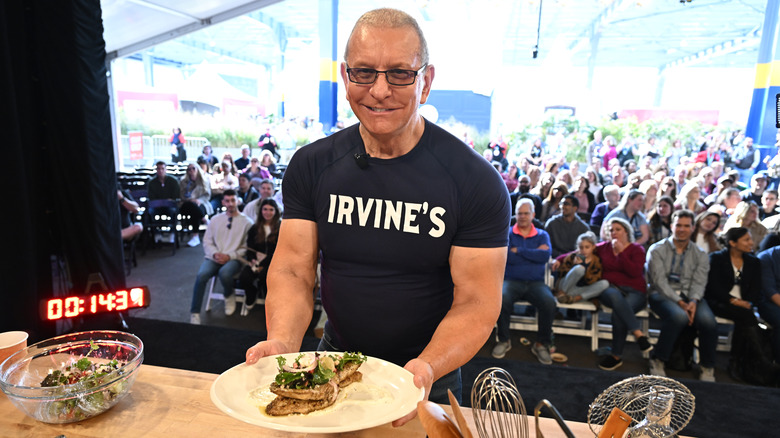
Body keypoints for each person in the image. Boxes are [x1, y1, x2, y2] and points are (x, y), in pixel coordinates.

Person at [244, 9, 510, 421]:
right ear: (345, 76)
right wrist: (281, 342)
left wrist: (427, 368)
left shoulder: (473, 181)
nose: (379, 90)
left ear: (427, 81)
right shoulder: (311, 165)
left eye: (400, 73)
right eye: (364, 72)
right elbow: (294, 271)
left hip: (429, 371)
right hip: (334, 358)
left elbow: (477, 301)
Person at [646, 210, 717, 381]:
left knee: (708, 321)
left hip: (690, 296)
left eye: (686, 226)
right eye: (678, 225)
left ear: (693, 228)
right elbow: (659, 282)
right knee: (679, 317)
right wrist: (680, 302)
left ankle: (707, 366)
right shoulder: (656, 250)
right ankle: (658, 358)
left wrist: (693, 301)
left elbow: (700, 282)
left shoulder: (700, 254)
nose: (682, 229)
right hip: (661, 294)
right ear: (671, 226)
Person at [705, 227, 776, 381]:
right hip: (720, 301)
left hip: (744, 306)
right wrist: (734, 301)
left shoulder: (753, 261)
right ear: (732, 243)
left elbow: (756, 289)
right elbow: (713, 287)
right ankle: (759, 360)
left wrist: (747, 302)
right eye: (746, 239)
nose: (751, 243)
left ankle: (738, 363)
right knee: (746, 316)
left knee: (744, 318)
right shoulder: (717, 258)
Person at [493, 199, 556, 365]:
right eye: (519, 213)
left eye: (526, 213)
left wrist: (519, 250)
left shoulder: (543, 235)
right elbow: (506, 257)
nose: (522, 216)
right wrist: (532, 254)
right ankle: (504, 340)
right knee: (502, 298)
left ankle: (542, 343)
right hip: (511, 280)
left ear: (533, 215)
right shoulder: (507, 233)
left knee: (549, 302)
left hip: (536, 283)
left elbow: (544, 256)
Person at [596, 217, 653, 371]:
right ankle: (639, 335)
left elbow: (634, 272)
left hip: (635, 291)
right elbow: (581, 250)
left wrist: (621, 252)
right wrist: (560, 260)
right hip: (611, 289)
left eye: (618, 229)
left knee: (618, 313)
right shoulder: (603, 247)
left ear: (626, 231)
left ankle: (616, 356)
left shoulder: (636, 249)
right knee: (615, 297)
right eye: (611, 230)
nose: (613, 232)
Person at [189, 190, 254, 325]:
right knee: (201, 275)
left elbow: (246, 247)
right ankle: (195, 313)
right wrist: (214, 253)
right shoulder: (215, 219)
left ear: (238, 201)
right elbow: (207, 241)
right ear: (223, 202)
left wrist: (229, 256)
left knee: (225, 273)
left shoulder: (247, 222)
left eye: (233, 200)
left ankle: (228, 295)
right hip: (214, 256)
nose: (230, 204)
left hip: (234, 258)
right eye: (227, 201)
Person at [238, 198, 281, 312]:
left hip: (274, 263)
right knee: (244, 277)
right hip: (256, 262)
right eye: (265, 209)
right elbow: (250, 248)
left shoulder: (281, 228)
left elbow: (280, 251)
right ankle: (252, 294)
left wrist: (263, 264)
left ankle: (270, 305)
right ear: (261, 211)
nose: (267, 212)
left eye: (271, 210)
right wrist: (252, 260)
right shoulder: (254, 228)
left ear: (276, 211)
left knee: (265, 276)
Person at [552, 231, 608, 304]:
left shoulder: (596, 261)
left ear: (593, 247)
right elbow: (561, 273)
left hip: (577, 290)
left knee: (605, 283)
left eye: (587, 247)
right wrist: (574, 266)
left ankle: (574, 298)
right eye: (581, 247)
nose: (584, 250)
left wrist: (584, 266)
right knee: (579, 269)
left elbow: (594, 279)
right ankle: (561, 293)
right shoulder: (573, 256)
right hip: (564, 286)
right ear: (578, 247)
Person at [179, 164, 213, 247]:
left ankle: (195, 237)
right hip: (186, 204)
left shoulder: (204, 180)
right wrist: (191, 199)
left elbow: (207, 195)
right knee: (192, 206)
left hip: (201, 203)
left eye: (193, 168)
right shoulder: (183, 181)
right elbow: (181, 195)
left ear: (198, 169)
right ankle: (205, 220)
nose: (191, 171)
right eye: (189, 169)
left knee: (195, 210)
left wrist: (199, 200)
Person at [147, 161, 180, 242]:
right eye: (158, 169)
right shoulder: (152, 182)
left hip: (170, 206)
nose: (160, 171)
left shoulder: (173, 181)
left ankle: (172, 233)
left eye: (162, 168)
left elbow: (176, 196)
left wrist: (169, 201)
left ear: (166, 169)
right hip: (156, 207)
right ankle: (156, 233)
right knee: (149, 212)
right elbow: (151, 197)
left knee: (174, 211)